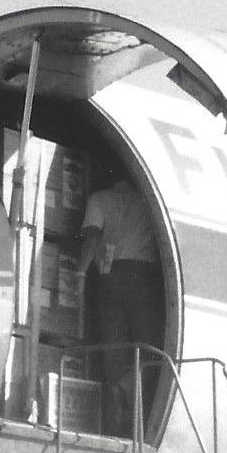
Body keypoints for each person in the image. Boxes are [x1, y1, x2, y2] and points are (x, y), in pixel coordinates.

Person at [76, 181, 166, 435]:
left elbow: (92, 236)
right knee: (148, 348)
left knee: (113, 348)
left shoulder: (100, 198)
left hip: (110, 275)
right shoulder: (147, 201)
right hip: (143, 275)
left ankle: (114, 417)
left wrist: (81, 273)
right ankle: (128, 391)